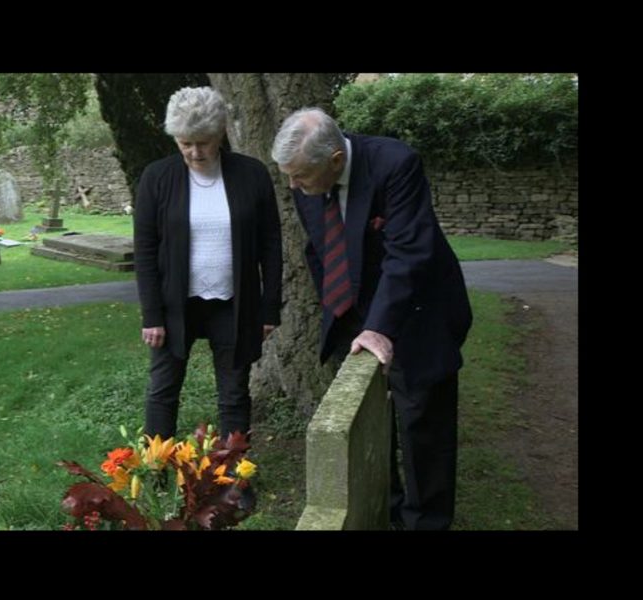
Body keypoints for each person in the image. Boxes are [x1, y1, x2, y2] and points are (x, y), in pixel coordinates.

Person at [271, 107, 473, 530]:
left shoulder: (395, 164)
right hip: (357, 313)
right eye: (288, 176)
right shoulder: (305, 175)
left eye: (300, 176)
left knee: (424, 432)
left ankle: (424, 522)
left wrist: (379, 325)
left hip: (421, 313)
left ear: (336, 161)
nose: (293, 186)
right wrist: (345, 315)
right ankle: (387, 507)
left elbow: (408, 255)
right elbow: (322, 247)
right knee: (372, 426)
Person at [135, 86, 282, 452]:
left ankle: (232, 479)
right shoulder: (156, 178)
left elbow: (271, 246)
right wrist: (152, 315)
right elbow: (145, 250)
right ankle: (156, 474)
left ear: (220, 134)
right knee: (162, 391)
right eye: (185, 143)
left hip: (234, 303)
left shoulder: (252, 174)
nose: (194, 152)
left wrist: (268, 309)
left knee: (233, 394)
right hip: (173, 306)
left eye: (203, 142)